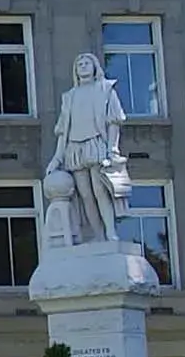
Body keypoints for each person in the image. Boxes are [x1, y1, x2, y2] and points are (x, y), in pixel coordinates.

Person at [46, 52, 131, 243]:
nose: (83, 66)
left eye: (87, 63)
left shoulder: (106, 89)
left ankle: (110, 232)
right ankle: (97, 235)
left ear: (95, 67)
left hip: (96, 143)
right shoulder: (69, 97)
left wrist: (112, 149)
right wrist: (57, 158)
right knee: (85, 194)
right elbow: (63, 131)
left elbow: (113, 122)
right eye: (79, 64)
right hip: (75, 148)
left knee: (100, 190)